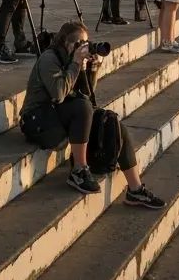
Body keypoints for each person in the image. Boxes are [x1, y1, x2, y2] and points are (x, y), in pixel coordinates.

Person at [20, 21, 165, 207]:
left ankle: (135, 189)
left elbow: (87, 95)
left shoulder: (74, 60)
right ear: (68, 44)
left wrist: (92, 70)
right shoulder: (49, 58)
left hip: (58, 115)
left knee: (111, 120)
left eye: (86, 43)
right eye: (79, 44)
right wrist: (76, 63)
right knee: (82, 107)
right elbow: (58, 94)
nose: (84, 48)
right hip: (36, 120)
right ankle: (79, 170)